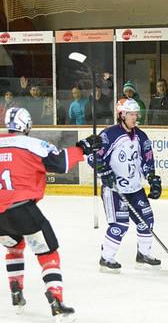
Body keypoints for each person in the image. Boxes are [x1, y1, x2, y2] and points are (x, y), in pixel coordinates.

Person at [0, 107, 100, 320]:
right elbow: (60, 163)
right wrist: (83, 148)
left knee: (14, 247)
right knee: (48, 253)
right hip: (22, 209)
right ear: (26, 126)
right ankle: (56, 303)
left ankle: (16, 293)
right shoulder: (32, 144)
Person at [89, 98, 162, 272]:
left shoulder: (141, 136)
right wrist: (105, 172)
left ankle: (143, 255)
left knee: (147, 221)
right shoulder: (109, 135)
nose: (135, 117)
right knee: (120, 225)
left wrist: (152, 179)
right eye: (131, 114)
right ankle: (106, 258)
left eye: (136, 114)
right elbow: (93, 157)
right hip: (114, 190)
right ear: (121, 115)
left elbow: (147, 160)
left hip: (135, 188)